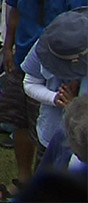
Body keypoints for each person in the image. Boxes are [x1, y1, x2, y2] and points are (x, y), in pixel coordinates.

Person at [0, 0, 88, 195]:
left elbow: (81, 39)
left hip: (60, 72)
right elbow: (14, 9)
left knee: (50, 135)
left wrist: (71, 83)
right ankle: (23, 178)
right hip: (27, 56)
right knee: (19, 119)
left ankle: (41, 184)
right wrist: (9, 47)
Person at [22, 9, 88, 165]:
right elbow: (30, 82)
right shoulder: (49, 44)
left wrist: (76, 108)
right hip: (50, 136)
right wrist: (55, 98)